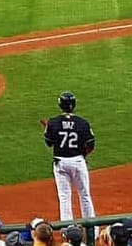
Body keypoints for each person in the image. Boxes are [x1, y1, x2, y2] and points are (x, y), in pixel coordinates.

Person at [42, 90, 96, 220]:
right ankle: (92, 229)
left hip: (61, 163)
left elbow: (49, 143)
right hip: (78, 161)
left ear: (60, 105)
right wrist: (83, 155)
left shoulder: (53, 122)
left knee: (64, 196)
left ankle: (68, 228)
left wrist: (47, 129)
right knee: (85, 195)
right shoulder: (82, 123)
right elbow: (90, 144)